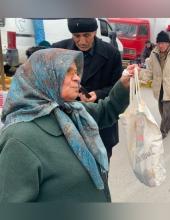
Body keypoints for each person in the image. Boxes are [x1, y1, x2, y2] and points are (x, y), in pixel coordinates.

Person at [0, 48, 134, 202]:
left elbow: (106, 110)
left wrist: (124, 84)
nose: (77, 78)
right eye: (68, 72)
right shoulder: (18, 138)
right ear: (44, 77)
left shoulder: (73, 111)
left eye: (76, 72)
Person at [52, 18, 122, 159]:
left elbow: (118, 87)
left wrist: (98, 93)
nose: (82, 41)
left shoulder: (112, 53)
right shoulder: (58, 50)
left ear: (95, 32)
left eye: (87, 35)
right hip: (68, 123)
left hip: (101, 125)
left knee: (101, 171)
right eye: (77, 36)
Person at [140, 31, 170, 139]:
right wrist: (141, 78)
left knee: (167, 110)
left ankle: (163, 130)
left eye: (163, 43)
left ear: (169, 43)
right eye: (159, 43)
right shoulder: (153, 53)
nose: (161, 45)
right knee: (161, 109)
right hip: (158, 86)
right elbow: (150, 71)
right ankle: (169, 124)